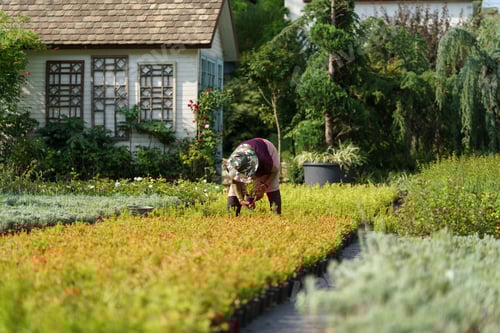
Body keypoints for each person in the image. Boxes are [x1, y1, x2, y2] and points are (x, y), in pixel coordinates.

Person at [225, 138, 281, 216]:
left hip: (265, 150)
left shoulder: (264, 161)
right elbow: (235, 181)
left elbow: (275, 171)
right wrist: (240, 200)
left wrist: (265, 185)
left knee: (272, 188)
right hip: (248, 155)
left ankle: (276, 217)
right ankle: (232, 218)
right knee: (234, 200)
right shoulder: (235, 161)